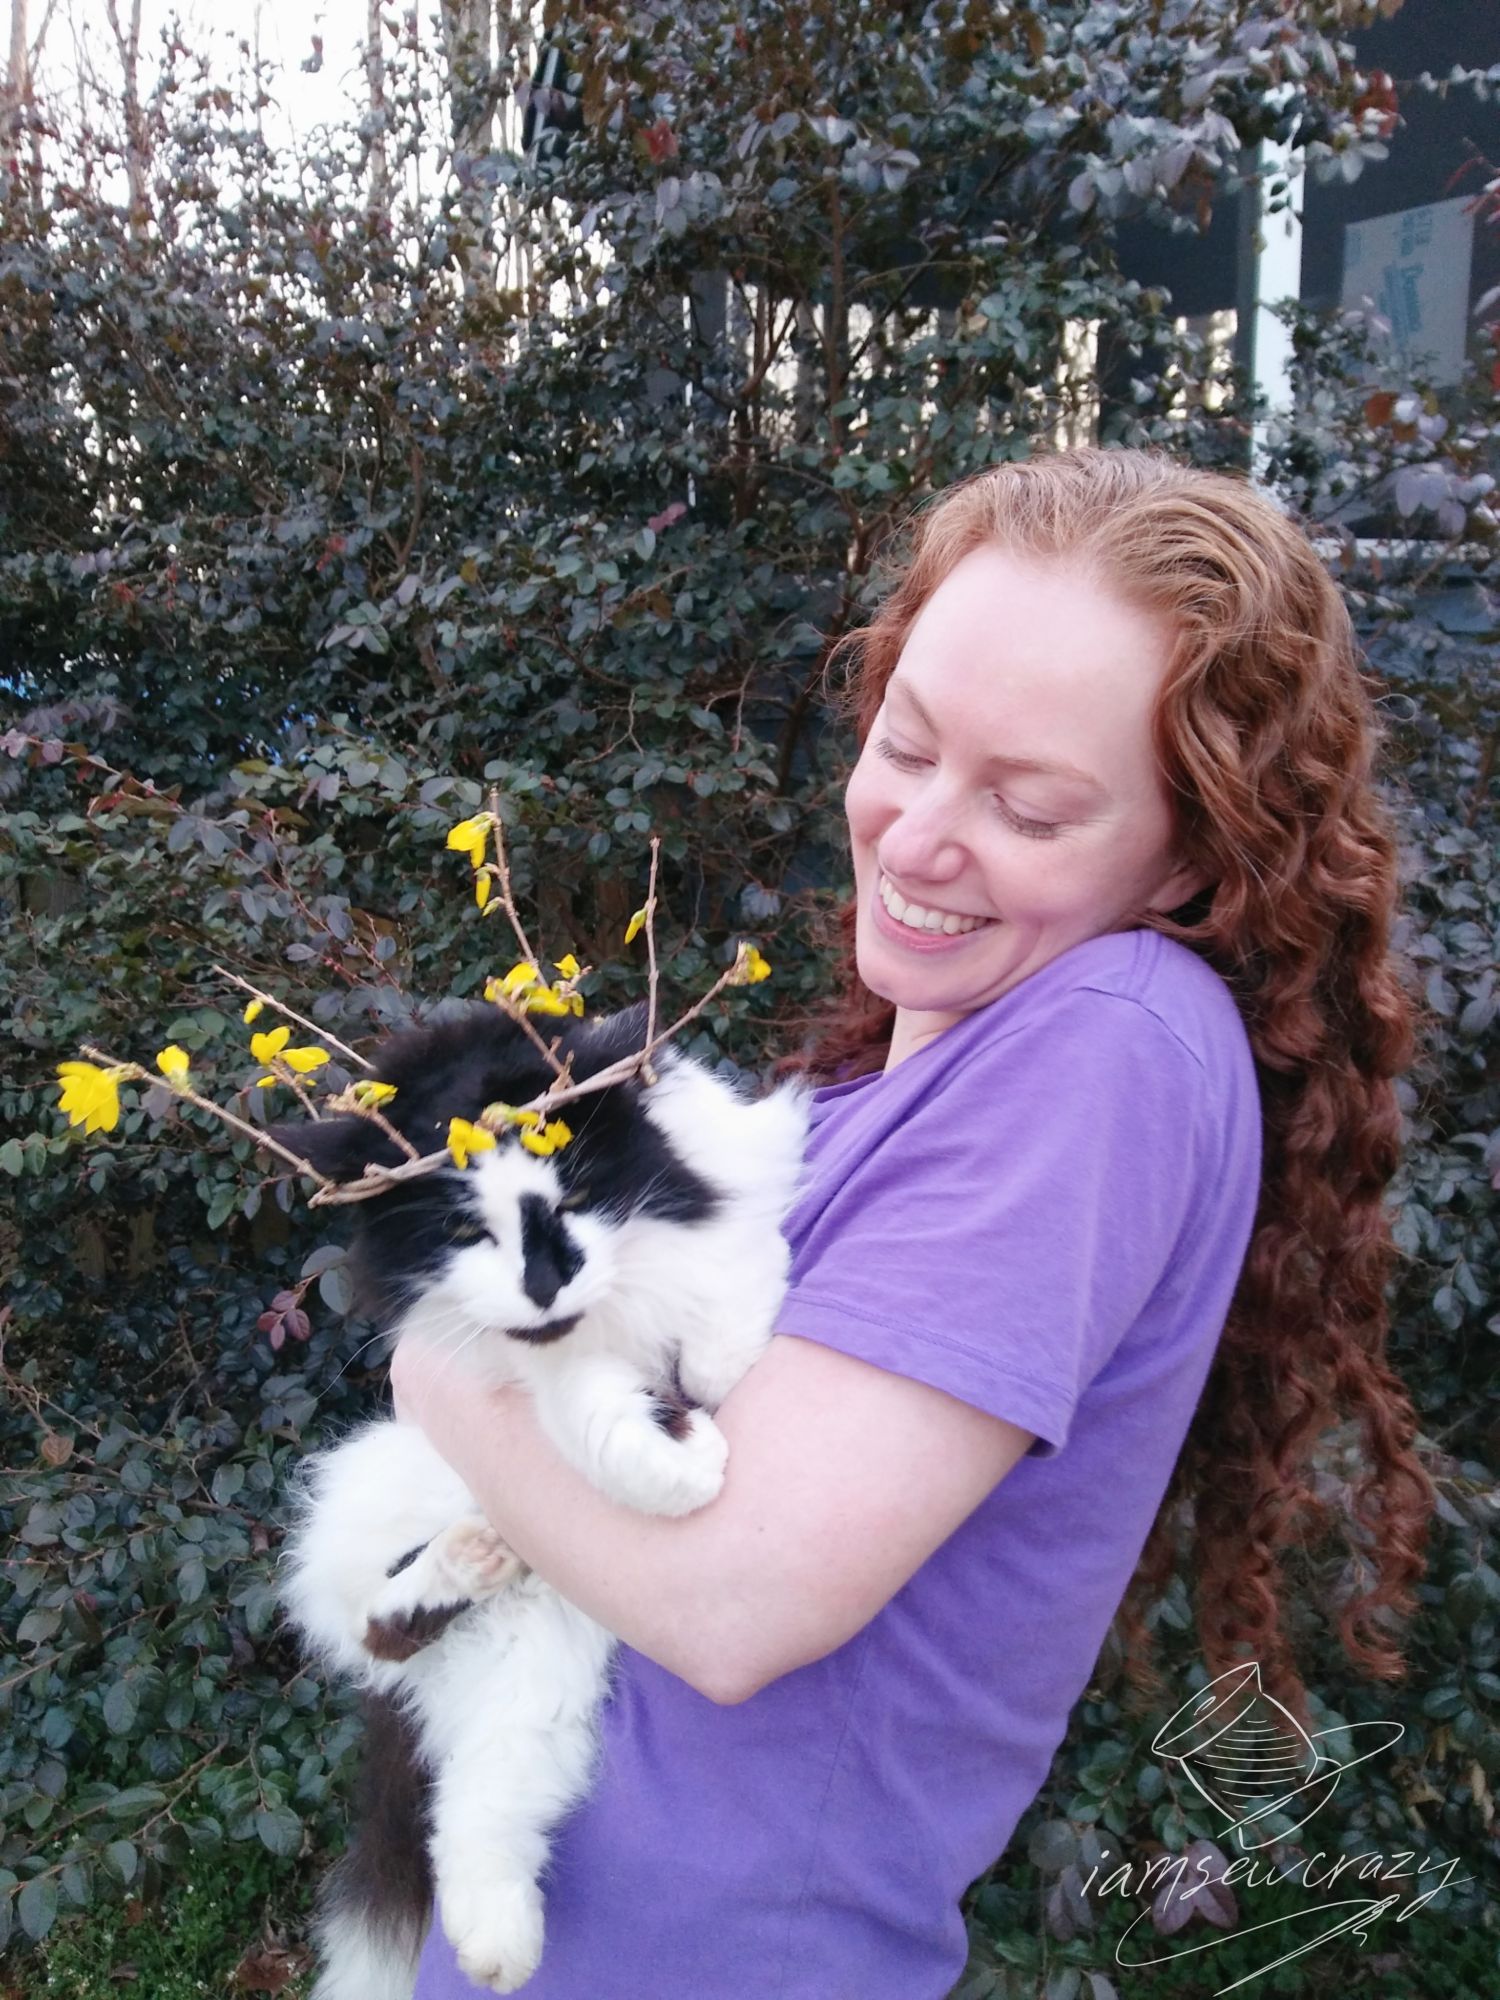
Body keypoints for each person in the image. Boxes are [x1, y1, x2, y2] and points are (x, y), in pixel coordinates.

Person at [390, 446, 1432, 1999]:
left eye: (1031, 804)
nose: (923, 834)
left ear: (1197, 851)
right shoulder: (911, 1077)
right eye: (909, 742)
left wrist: (439, 1366)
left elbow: (736, 1596)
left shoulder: (1112, 1040)